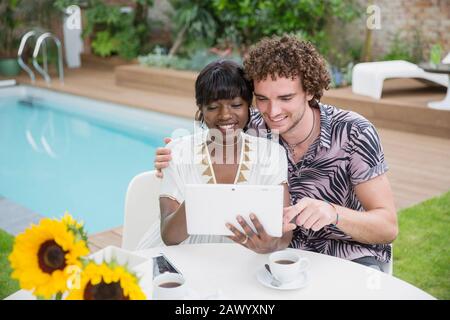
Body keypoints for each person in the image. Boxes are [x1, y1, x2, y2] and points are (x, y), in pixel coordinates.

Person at [154, 35, 398, 272]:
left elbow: (387, 226)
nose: (273, 111)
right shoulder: (254, 126)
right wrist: (171, 154)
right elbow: (211, 135)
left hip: (349, 255)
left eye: (286, 97)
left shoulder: (353, 132)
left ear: (310, 91)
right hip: (279, 257)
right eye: (262, 99)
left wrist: (333, 213)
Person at [137, 60, 295, 253]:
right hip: (185, 255)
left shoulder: (271, 153)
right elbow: (169, 237)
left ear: (248, 106)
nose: (225, 115)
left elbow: (284, 230)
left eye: (236, 105)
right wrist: (203, 198)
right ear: (201, 109)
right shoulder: (178, 151)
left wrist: (273, 244)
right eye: (212, 107)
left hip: (244, 258)